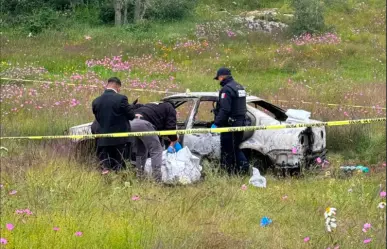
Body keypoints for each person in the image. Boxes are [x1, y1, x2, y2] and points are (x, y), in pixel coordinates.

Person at [91, 77, 136, 171]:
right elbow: (131, 116)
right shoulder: (121, 99)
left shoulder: (96, 101)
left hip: (103, 140)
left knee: (105, 167)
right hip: (120, 140)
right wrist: (131, 107)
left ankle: (106, 183)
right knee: (119, 166)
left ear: (107, 85)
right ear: (118, 87)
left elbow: (98, 118)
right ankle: (119, 182)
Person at [212, 67, 249, 175]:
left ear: (222, 77)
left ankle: (228, 174)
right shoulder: (239, 87)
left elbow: (225, 109)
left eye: (218, 78)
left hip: (229, 125)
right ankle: (240, 172)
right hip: (240, 124)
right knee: (235, 149)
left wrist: (216, 123)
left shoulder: (227, 89)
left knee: (227, 151)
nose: (219, 81)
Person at [130, 101, 180, 182]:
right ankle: (157, 179)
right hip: (144, 124)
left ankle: (140, 176)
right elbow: (171, 127)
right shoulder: (170, 107)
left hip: (131, 122)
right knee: (156, 150)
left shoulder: (151, 104)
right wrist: (174, 139)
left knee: (141, 150)